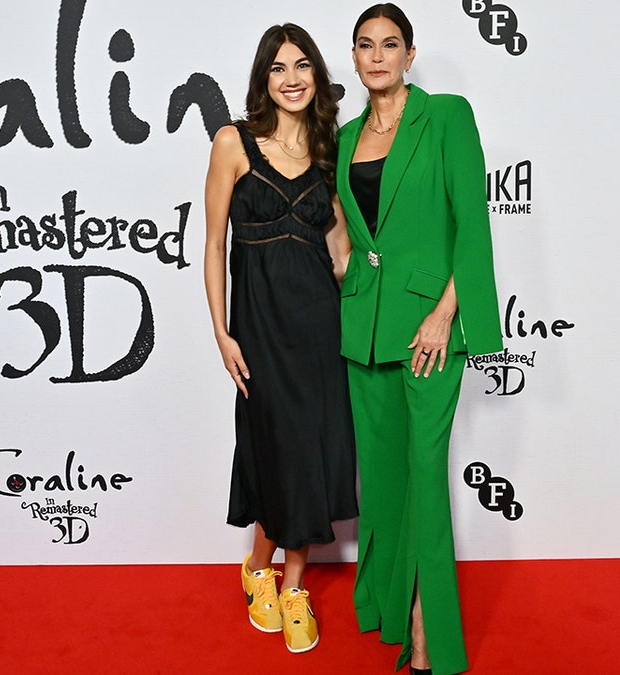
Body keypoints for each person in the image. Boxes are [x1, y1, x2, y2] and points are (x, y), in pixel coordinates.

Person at [335, 4, 503, 674]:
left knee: (425, 479)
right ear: (352, 57)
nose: (377, 56)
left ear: (410, 52)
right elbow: (350, 235)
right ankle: (387, 604)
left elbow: (472, 222)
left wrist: (445, 314)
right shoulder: (345, 137)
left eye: (390, 44)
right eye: (364, 45)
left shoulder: (447, 117)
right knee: (380, 480)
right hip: (363, 328)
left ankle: (429, 632)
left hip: (428, 329)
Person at [203, 23, 357, 654]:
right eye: (278, 68)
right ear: (263, 79)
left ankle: (290, 583)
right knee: (275, 449)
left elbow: (342, 252)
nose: (291, 78)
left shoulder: (328, 154)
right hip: (260, 331)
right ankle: (257, 566)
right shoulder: (232, 142)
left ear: (317, 76)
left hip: (320, 328)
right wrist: (220, 332)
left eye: (302, 66)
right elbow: (213, 245)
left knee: (309, 453)